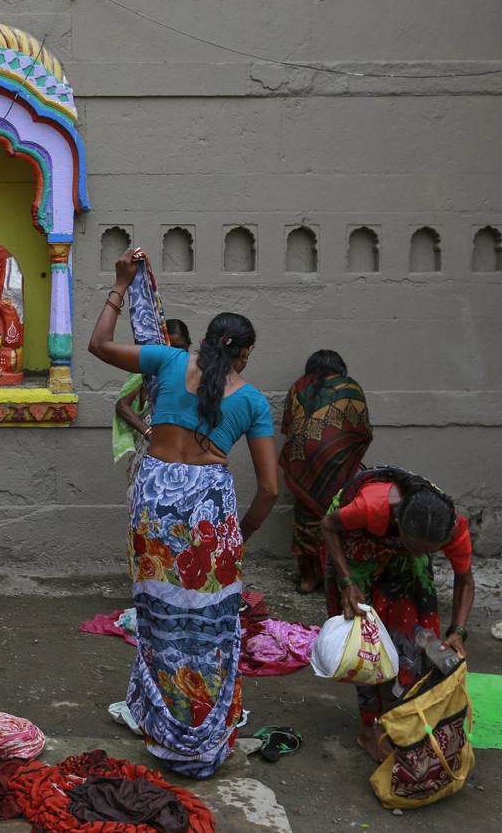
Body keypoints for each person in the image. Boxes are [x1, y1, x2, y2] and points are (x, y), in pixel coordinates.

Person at [88, 248, 278, 778]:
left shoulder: (168, 361)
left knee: (159, 616)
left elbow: (98, 344)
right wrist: (241, 532)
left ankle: (164, 721)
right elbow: (269, 489)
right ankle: (203, 726)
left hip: (154, 499)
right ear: (242, 355)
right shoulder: (254, 401)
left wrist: (119, 286)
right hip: (207, 511)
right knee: (211, 623)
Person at [320, 466, 476, 762]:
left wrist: (458, 631)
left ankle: (400, 720)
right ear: (397, 522)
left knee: (417, 634)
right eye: (415, 547)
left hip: (398, 552)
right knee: (364, 643)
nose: (421, 554)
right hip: (353, 545)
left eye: (428, 551)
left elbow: (465, 580)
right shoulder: (372, 507)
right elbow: (327, 525)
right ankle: (369, 730)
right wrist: (347, 582)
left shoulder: (450, 527)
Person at [278, 350, 373, 593]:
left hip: (303, 463)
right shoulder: (352, 387)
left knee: (305, 516)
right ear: (340, 368)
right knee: (341, 513)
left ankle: (309, 577)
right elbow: (362, 431)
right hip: (339, 464)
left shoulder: (298, 387)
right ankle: (343, 576)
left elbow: (288, 426)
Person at [113, 319, 190, 477]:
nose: (174, 353)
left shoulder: (193, 370)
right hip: (150, 451)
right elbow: (122, 405)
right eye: (169, 348)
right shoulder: (149, 369)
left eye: (179, 348)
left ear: (188, 345)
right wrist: (148, 433)